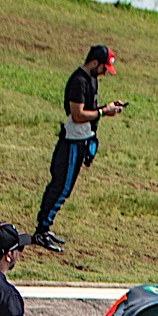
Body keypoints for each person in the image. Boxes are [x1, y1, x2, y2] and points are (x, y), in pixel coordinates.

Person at [32, 43, 122, 250]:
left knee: (65, 187)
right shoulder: (78, 81)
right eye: (103, 69)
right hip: (72, 142)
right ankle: (41, 231)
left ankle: (45, 228)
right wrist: (102, 112)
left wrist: (106, 108)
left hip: (82, 140)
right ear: (94, 62)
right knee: (61, 187)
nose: (104, 74)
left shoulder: (91, 79)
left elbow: (88, 109)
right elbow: (77, 114)